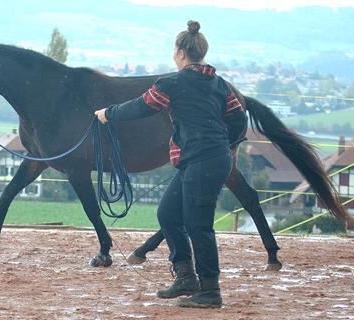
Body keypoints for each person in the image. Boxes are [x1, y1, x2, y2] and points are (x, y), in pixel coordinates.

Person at [94, 20, 246, 308]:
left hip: (202, 161)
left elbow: (142, 105)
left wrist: (108, 113)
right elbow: (239, 120)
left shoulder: (172, 84)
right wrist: (223, 143)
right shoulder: (220, 85)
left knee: (199, 225)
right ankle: (186, 276)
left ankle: (211, 291)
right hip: (207, 159)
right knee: (168, 214)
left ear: (179, 53)